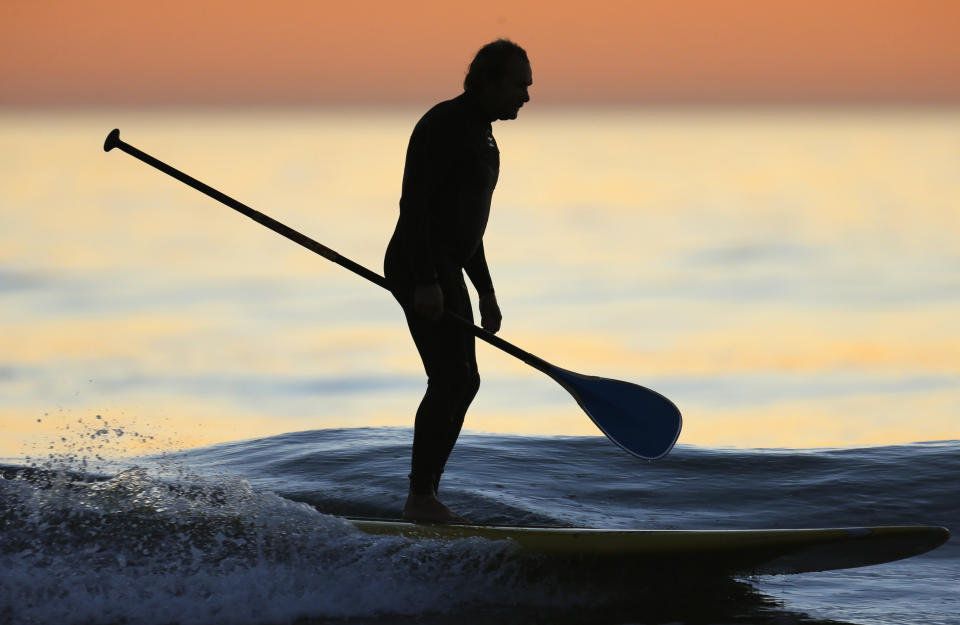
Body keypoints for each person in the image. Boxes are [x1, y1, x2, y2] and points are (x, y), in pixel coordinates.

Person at [384, 39, 532, 523]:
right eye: (518, 85)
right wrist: (426, 280)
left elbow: (469, 225)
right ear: (487, 81)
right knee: (450, 378)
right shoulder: (445, 124)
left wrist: (486, 290)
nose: (525, 97)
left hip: (446, 265)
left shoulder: (484, 135)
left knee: (465, 381)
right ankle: (420, 498)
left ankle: (425, 495)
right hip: (418, 262)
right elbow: (416, 206)